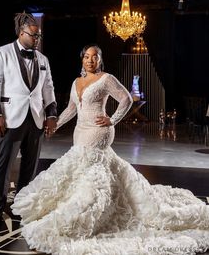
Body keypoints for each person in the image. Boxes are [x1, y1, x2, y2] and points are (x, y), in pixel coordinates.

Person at [12, 44, 209, 255]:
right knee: (81, 169)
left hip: (98, 131)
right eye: (86, 57)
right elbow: (72, 108)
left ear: (100, 60)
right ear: (82, 59)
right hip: (80, 132)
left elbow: (125, 98)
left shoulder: (106, 79)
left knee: (91, 171)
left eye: (94, 57)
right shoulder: (76, 81)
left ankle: (86, 208)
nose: (90, 60)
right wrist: (54, 125)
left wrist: (112, 120)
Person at [0, 12, 57, 227]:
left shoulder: (43, 59)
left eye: (39, 36)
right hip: (9, 119)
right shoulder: (1, 53)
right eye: (33, 36)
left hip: (35, 120)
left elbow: (48, 88)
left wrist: (51, 115)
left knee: (29, 167)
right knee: (3, 165)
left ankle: (21, 206)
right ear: (20, 32)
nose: (36, 40)